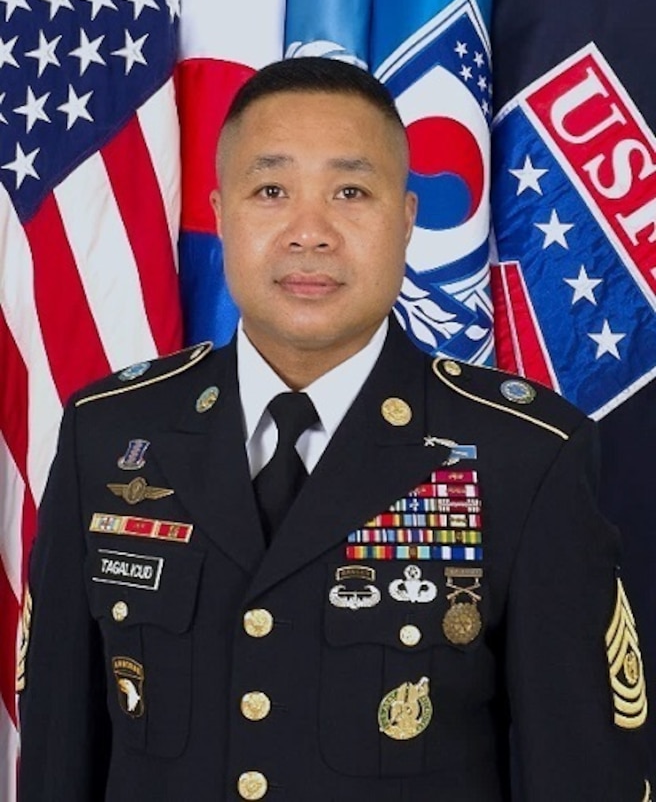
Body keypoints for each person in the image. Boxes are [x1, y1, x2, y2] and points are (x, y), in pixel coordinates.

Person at [17, 57, 651, 802]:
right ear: (220, 214)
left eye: (351, 191)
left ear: (407, 219)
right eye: (271, 191)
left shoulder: (525, 458)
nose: (309, 232)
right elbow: (58, 758)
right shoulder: (110, 435)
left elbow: (581, 777)